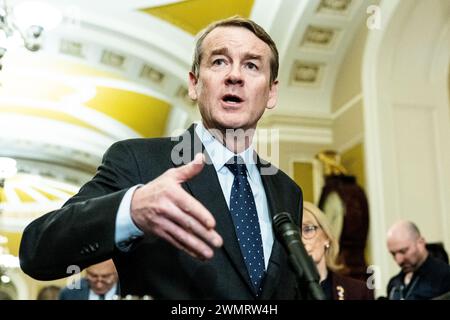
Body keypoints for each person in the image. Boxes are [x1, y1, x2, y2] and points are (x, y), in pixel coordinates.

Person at [19, 16, 305, 299]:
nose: (235, 76)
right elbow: (37, 250)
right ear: (194, 84)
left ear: (271, 92)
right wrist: (130, 210)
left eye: (252, 65)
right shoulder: (138, 160)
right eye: (219, 62)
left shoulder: (287, 191)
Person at [301, 201, 373, 300]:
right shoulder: (282, 293)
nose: (301, 240)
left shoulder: (358, 292)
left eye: (308, 229)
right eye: (295, 233)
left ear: (326, 236)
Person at [386, 220, 450, 300]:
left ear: (420, 243)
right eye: (393, 254)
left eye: (403, 251)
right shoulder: (394, 284)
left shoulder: (445, 276)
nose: (398, 261)